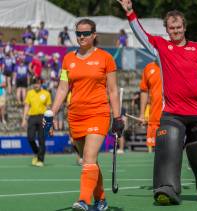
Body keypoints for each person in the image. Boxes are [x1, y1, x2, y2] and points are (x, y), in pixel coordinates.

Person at [118, 0, 197, 205]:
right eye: (171, 28)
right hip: (173, 114)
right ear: (167, 30)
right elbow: (141, 35)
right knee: (169, 148)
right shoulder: (161, 47)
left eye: (178, 27)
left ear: (185, 27)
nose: (175, 31)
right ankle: (167, 188)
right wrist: (130, 13)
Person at [48, 19, 124, 211]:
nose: (81, 37)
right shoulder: (68, 59)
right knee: (90, 161)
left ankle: (83, 200)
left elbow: (113, 90)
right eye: (78, 34)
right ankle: (101, 200)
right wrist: (51, 112)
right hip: (75, 115)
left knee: (89, 158)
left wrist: (118, 117)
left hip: (98, 112)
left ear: (94, 34)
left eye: (86, 33)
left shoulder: (106, 58)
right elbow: (63, 88)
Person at [22, 77, 51, 167]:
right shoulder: (30, 93)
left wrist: (49, 121)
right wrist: (24, 119)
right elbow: (27, 106)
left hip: (43, 117)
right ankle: (36, 152)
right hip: (32, 117)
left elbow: (49, 108)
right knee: (30, 138)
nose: (36, 85)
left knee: (41, 139)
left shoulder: (46, 93)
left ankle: (40, 159)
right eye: (34, 83)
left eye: (38, 83)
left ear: (41, 83)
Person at [139, 61, 162, 153]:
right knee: (157, 152)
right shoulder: (148, 67)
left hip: (172, 116)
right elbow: (144, 91)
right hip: (154, 118)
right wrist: (141, 114)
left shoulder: (175, 63)